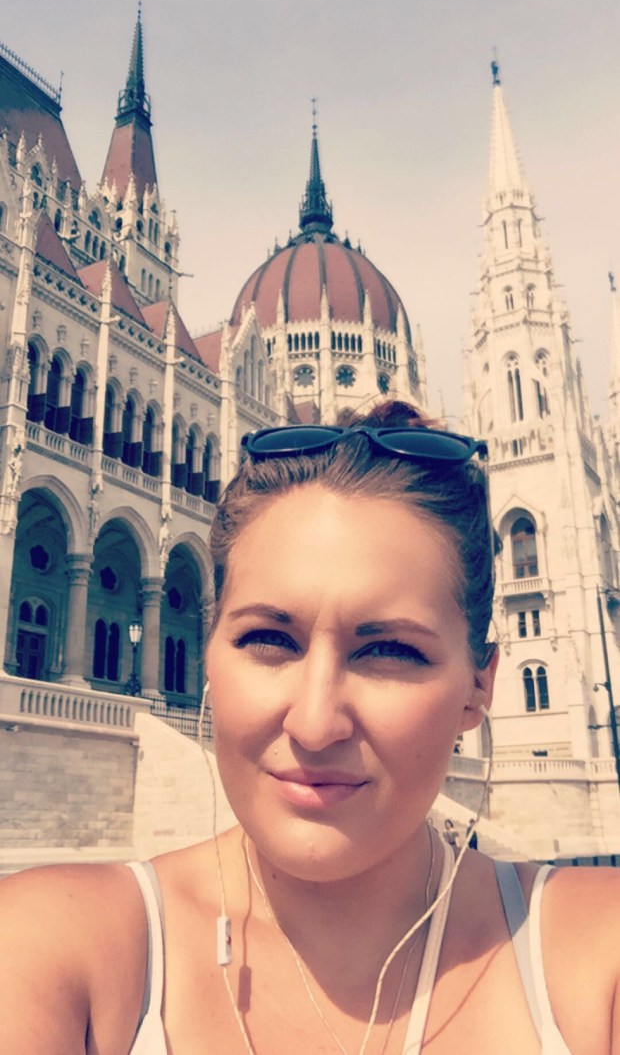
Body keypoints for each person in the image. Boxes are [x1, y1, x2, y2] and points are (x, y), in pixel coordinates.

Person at [1, 400, 620, 1054]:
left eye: (389, 651)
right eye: (269, 639)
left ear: (479, 686)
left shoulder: (596, 958)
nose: (316, 724)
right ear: (209, 652)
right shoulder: (49, 946)